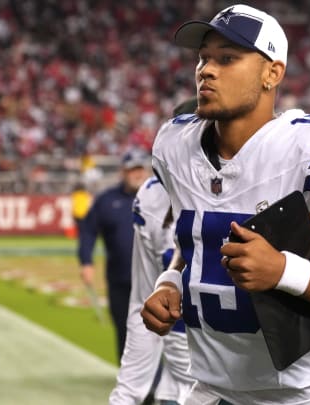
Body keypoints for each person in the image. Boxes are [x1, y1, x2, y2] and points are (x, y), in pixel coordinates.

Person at [141, 5, 310, 404]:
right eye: (204, 58)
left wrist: (281, 270)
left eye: (227, 58)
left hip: (304, 396)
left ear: (271, 74)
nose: (206, 70)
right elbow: (195, 240)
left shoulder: (308, 150)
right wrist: (170, 281)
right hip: (211, 391)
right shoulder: (176, 145)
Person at [110, 99, 197, 405]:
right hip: (179, 381)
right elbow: (143, 305)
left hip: (243, 381)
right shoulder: (150, 198)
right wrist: (127, 396)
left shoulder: (255, 188)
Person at [78, 148, 150, 361]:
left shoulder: (160, 197)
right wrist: (86, 261)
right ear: (123, 172)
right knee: (124, 328)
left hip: (153, 279)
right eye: (131, 170)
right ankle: (131, 381)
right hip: (120, 278)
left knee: (157, 334)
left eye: (139, 169)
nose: (136, 174)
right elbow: (88, 230)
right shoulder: (107, 200)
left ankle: (156, 382)